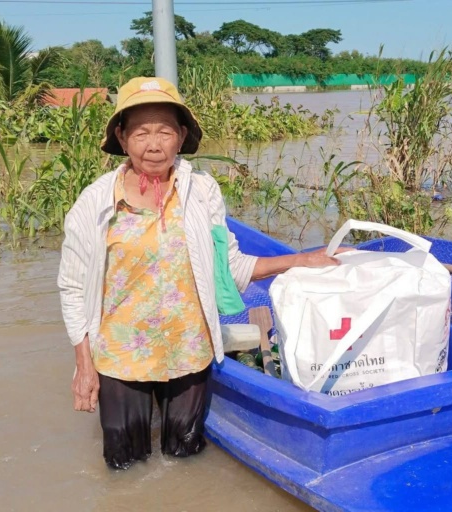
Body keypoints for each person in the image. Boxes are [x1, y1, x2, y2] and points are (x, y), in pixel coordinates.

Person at [58, 76, 343, 470]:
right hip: (121, 355)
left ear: (182, 136)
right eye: (141, 133)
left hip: (188, 349)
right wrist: (85, 366)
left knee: (185, 459)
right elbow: (72, 288)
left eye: (164, 131)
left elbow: (230, 269)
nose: (153, 144)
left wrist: (302, 259)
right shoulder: (94, 203)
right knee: (124, 466)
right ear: (122, 138)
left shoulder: (202, 192)